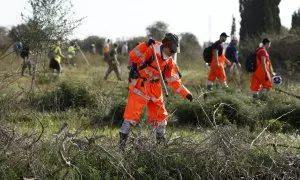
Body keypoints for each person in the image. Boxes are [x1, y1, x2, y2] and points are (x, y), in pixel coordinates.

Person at [119, 33, 193, 152]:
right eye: (172, 49)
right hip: (141, 86)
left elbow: (174, 81)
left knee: (161, 117)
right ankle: (121, 147)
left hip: (155, 89)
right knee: (131, 117)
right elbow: (133, 56)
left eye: (175, 50)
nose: (173, 52)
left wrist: (186, 93)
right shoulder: (151, 49)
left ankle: (160, 148)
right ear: (167, 45)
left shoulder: (169, 62)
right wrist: (145, 45)